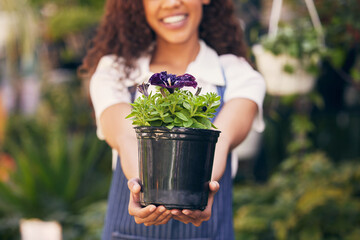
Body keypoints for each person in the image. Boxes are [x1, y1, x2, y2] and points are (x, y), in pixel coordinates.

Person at [79, 0, 265, 239]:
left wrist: (201, 186)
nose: (171, 2)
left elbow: (221, 138)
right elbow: (126, 136)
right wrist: (144, 190)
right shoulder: (115, 72)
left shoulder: (237, 74)